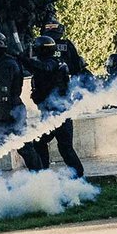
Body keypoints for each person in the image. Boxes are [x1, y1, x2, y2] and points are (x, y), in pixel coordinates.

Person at [0, 32, 42, 182]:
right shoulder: (0, 62)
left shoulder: (7, 64)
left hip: (12, 111)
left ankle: (40, 178)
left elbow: (1, 89)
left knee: (24, 148)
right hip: (4, 111)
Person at [27, 34, 85, 177]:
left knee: (60, 147)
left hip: (57, 114)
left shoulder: (53, 64)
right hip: (53, 113)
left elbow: (43, 68)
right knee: (47, 144)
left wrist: (22, 59)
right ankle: (47, 175)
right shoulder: (55, 63)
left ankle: (75, 176)